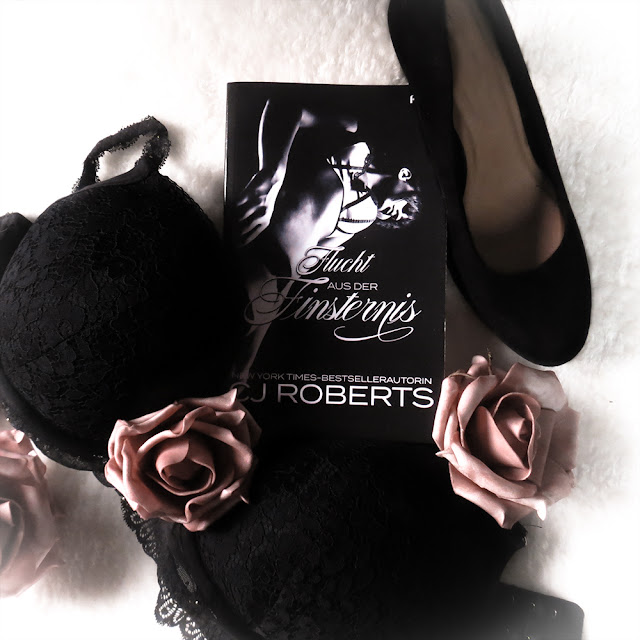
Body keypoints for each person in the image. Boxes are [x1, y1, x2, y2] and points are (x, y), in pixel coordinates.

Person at [228, 98, 420, 383]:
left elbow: (295, 274)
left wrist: (248, 359)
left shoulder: (362, 216)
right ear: (406, 175)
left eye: (398, 218)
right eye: (406, 205)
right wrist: (272, 171)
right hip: (239, 249)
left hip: (262, 284)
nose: (396, 214)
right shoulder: (357, 135)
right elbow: (286, 106)